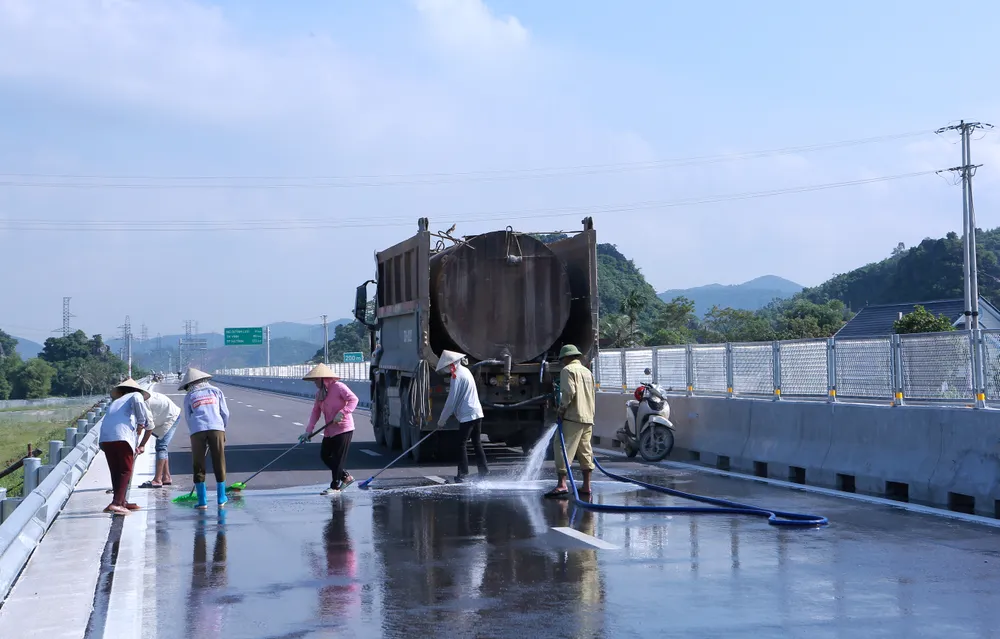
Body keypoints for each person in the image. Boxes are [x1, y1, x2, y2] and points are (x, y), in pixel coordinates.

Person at [299, 364, 359, 495]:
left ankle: (335, 486)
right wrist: (308, 431)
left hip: (344, 428)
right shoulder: (319, 394)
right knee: (325, 455)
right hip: (329, 430)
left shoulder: (338, 387)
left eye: (316, 380)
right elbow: (315, 412)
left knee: (338, 458)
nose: (314, 383)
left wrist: (343, 412)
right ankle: (346, 477)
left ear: (323, 378)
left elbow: (353, 399)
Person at [546, 344, 596, 499]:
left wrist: (561, 411)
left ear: (567, 358)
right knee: (585, 451)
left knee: (561, 447)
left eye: (563, 359)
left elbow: (568, 392)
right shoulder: (587, 372)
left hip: (572, 416)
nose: (562, 362)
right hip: (588, 417)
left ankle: (562, 485)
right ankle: (587, 486)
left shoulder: (567, 371)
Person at [100, 378, 152, 515]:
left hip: (106, 438)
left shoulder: (116, 402)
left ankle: (121, 501)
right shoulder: (136, 396)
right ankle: (116, 503)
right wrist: (141, 424)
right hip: (121, 437)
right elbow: (142, 414)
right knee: (125, 470)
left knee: (116, 470)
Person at [179, 367, 230, 510]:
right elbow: (224, 413)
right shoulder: (216, 391)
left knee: (198, 463)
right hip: (216, 428)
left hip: (197, 429)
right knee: (219, 460)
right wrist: (221, 427)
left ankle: (202, 501)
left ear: (191, 383)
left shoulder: (189, 396)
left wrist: (195, 431)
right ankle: (221, 497)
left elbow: (188, 417)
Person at [436, 350, 488, 483]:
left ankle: (463, 474)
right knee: (476, 442)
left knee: (461, 443)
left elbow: (451, 401)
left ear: (451, 365)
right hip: (477, 411)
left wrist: (442, 420)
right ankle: (484, 471)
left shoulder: (456, 377)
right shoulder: (466, 371)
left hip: (468, 414)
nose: (446, 370)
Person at [137, 390, 182, 488]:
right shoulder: (140, 398)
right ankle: (166, 477)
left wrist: (142, 445)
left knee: (161, 446)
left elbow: (149, 427)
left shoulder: (142, 404)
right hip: (164, 415)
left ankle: (157, 479)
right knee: (161, 446)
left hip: (171, 417)